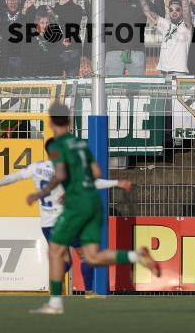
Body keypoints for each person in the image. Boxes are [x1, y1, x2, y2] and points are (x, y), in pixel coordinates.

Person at [25, 103, 160, 315]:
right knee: (91, 257)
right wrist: (112, 182)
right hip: (93, 206)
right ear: (69, 121)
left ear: (51, 123)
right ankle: (136, 256)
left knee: (56, 252)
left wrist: (44, 193)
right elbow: (95, 171)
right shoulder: (79, 144)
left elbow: (60, 175)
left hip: (75, 210)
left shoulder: (58, 146)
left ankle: (55, 304)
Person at [0, 138, 133, 296]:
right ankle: (88, 292)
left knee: (66, 261)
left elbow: (15, 176)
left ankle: (56, 286)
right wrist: (117, 182)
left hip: (47, 225)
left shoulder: (36, 168)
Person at [104, 0, 164, 76]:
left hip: (136, 51)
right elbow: (95, 18)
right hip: (113, 51)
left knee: (136, 87)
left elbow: (159, 15)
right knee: (112, 88)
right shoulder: (109, 0)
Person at [139, 0, 192, 76]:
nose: (174, 12)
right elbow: (147, 11)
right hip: (163, 72)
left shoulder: (186, 26)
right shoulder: (166, 24)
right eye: (171, 10)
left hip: (178, 72)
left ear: (182, 12)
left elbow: (186, 12)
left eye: (177, 9)